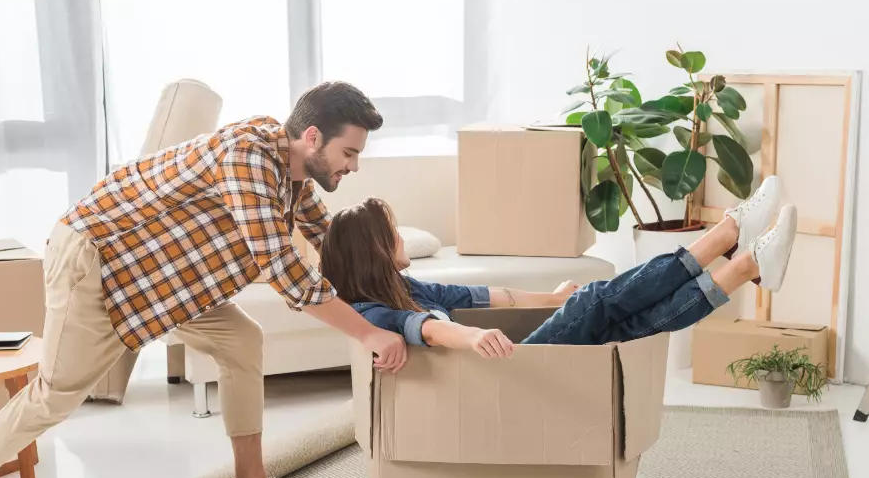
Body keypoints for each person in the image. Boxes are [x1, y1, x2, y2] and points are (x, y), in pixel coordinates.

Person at [0, 82, 409, 478]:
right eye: (349, 153)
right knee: (57, 391)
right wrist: (369, 333)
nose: (354, 166)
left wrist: (399, 293)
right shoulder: (247, 157)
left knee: (242, 341)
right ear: (312, 138)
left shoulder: (292, 176)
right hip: (101, 261)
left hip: (168, 280)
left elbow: (326, 239)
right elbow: (283, 269)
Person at [319, 177, 796, 355]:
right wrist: (471, 336)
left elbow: (482, 297)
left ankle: (747, 263)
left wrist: (552, 299)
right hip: (502, 376)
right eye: (394, 232)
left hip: (504, 368)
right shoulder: (372, 313)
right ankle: (729, 234)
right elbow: (422, 329)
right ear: (376, 250)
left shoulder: (405, 286)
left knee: (624, 327)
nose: (402, 237)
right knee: (594, 299)